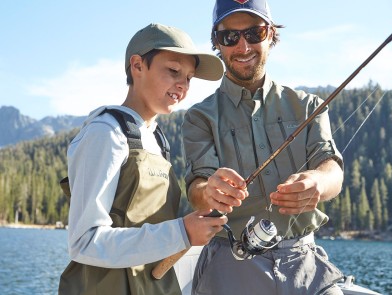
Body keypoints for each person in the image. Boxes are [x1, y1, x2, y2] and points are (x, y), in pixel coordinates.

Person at [182, 0, 345, 294]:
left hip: (306, 263)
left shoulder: (310, 106)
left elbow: (331, 167)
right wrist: (209, 192)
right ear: (216, 42)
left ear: (270, 34)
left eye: (254, 33)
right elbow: (197, 188)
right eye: (230, 37)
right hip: (229, 265)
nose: (243, 48)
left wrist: (318, 181)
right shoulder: (199, 117)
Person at [58, 23, 229, 295]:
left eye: (188, 77)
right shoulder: (105, 133)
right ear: (137, 66)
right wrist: (181, 232)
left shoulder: (157, 139)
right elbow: (84, 241)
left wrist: (192, 224)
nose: (182, 85)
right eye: (173, 71)